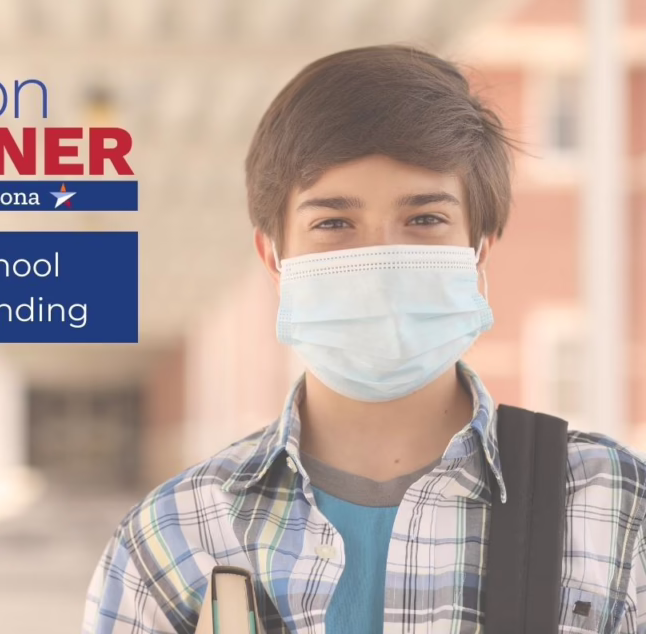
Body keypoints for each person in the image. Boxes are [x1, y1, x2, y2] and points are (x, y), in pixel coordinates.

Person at [83, 44, 646, 633]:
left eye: (424, 219)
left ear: (479, 249)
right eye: (333, 223)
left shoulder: (615, 509)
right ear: (273, 258)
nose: (379, 263)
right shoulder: (171, 541)